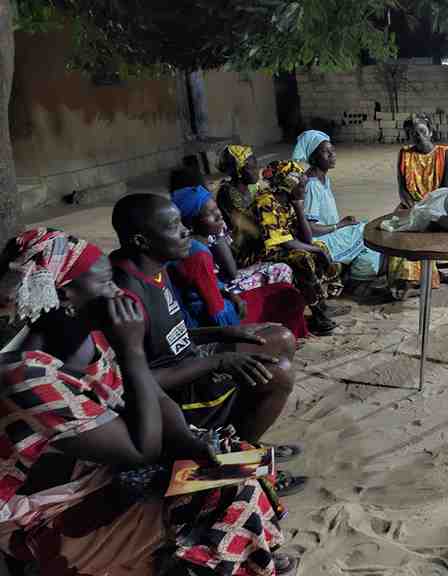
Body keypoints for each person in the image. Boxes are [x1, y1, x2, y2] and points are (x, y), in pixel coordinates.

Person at [0, 229, 297, 575]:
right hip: (46, 513)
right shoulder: (27, 375)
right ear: (66, 296)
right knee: (231, 492)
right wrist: (132, 351)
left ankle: (238, 554)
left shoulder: (88, 336)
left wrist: (189, 441)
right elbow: (142, 449)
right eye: (107, 283)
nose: (117, 292)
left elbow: (154, 400)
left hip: (99, 474)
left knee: (239, 460)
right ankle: (208, 560)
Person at [109, 194, 305, 458]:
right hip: (171, 391)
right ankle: (237, 453)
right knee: (279, 374)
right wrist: (220, 361)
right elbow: (134, 380)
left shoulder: (154, 265)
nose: (185, 231)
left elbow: (166, 337)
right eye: (173, 226)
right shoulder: (126, 295)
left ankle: (237, 431)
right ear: (142, 241)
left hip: (189, 359)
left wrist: (221, 332)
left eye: (181, 222)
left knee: (281, 337)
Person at [169, 184, 311, 338]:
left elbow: (213, 287)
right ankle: (285, 338)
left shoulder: (197, 245)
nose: (219, 215)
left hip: (223, 304)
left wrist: (231, 296)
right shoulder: (197, 254)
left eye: (217, 209)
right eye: (210, 213)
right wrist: (240, 334)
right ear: (191, 223)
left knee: (285, 290)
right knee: (287, 296)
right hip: (215, 322)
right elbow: (217, 311)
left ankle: (292, 334)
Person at [256, 160, 344, 335]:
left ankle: (322, 304)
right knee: (302, 258)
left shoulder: (289, 202)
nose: (305, 189)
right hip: (264, 250)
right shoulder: (266, 202)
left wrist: (298, 207)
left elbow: (308, 238)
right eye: (302, 185)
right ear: (290, 185)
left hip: (284, 244)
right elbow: (284, 242)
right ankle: (318, 315)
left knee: (319, 246)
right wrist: (315, 250)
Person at [292, 130, 384, 286]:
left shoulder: (323, 179)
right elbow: (310, 228)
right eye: (325, 152)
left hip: (330, 233)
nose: (332, 155)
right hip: (321, 241)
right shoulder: (312, 185)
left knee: (367, 227)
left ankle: (362, 272)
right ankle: (359, 276)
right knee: (366, 231)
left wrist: (342, 224)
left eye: (332, 151)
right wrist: (340, 225)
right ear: (313, 157)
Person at [389, 114, 448, 300]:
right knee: (395, 233)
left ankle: (414, 281)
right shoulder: (404, 154)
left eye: (422, 131)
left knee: (418, 236)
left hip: (437, 208)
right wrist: (412, 208)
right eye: (412, 133)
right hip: (410, 206)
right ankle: (404, 279)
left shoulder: (445, 155)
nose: (418, 136)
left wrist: (424, 211)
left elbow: (446, 192)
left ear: (431, 132)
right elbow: (402, 189)